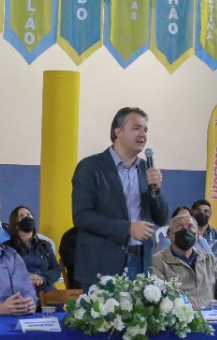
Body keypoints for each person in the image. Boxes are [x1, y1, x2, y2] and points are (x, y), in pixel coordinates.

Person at [71, 106, 169, 284]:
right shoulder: (90, 167)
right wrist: (128, 229)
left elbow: (162, 218)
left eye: (145, 129)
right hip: (102, 265)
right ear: (118, 132)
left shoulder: (146, 169)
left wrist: (156, 191)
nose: (143, 134)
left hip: (141, 263)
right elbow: (82, 217)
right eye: (136, 128)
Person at [7, 205, 62, 293]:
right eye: (22, 216)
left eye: (29, 215)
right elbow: (6, 271)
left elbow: (56, 269)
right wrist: (28, 277)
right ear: (16, 225)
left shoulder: (45, 245)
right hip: (20, 292)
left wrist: (43, 279)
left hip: (46, 290)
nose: (27, 218)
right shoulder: (8, 247)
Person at [189, 199, 217, 264]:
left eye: (206, 211)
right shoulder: (187, 233)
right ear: (193, 213)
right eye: (199, 211)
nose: (202, 213)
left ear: (210, 215)